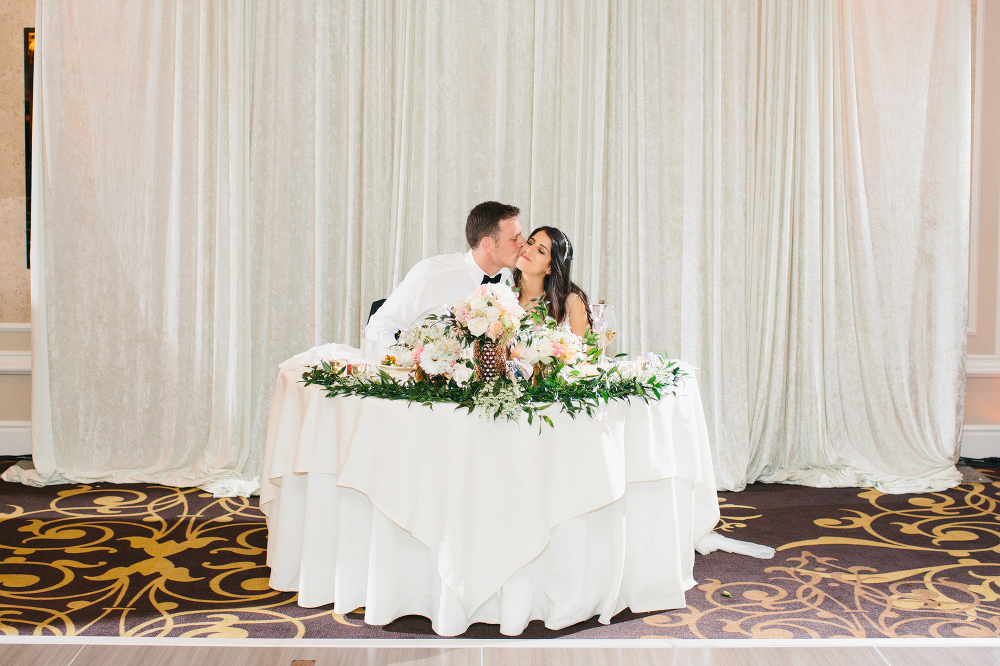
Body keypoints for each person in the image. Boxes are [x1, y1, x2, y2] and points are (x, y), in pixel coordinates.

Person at [364, 201, 526, 343]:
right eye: (514, 238)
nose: (523, 243)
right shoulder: (431, 274)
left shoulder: (506, 277)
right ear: (488, 245)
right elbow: (379, 327)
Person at [513, 226, 592, 337]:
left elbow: (587, 352)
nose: (529, 250)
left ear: (550, 268)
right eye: (530, 243)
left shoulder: (571, 303)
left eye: (541, 251)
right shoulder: (504, 295)